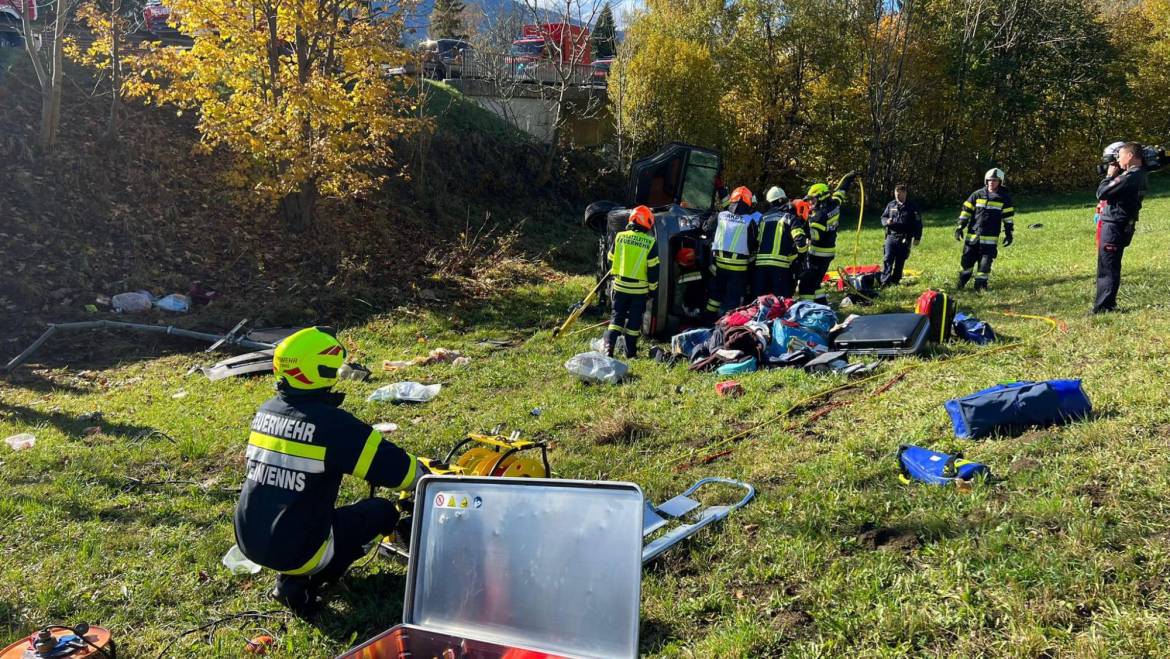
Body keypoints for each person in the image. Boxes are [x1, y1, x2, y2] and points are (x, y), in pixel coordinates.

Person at [234, 327, 429, 615]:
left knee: (311, 516)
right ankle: (306, 581)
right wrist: (427, 474)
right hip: (299, 549)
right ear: (321, 371)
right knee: (382, 512)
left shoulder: (267, 410)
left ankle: (293, 574)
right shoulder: (333, 425)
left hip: (250, 538)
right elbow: (401, 473)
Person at [1093, 142, 1147, 313]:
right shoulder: (1139, 175)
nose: (1117, 159)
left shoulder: (1130, 177)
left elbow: (1102, 192)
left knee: (1108, 267)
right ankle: (1107, 303)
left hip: (1115, 226)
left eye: (1120, 155)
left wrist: (1109, 176)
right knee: (1110, 265)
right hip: (1122, 225)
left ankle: (1104, 307)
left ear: (1130, 156)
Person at [604, 205, 659, 357]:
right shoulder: (650, 242)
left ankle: (608, 348)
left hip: (620, 287)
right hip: (639, 291)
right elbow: (654, 269)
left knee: (616, 318)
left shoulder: (620, 236)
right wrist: (653, 290)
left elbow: (610, 259)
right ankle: (631, 353)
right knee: (634, 322)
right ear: (647, 222)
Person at [797, 172, 857, 300]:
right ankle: (822, 304)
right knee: (816, 282)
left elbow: (816, 237)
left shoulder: (818, 216)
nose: (810, 203)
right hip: (828, 252)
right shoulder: (834, 203)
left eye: (813, 199)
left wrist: (803, 226)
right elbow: (841, 191)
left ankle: (807, 308)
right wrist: (848, 178)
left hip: (818, 254)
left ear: (822, 197)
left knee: (806, 284)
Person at [954, 168, 1015, 291]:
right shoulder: (977, 194)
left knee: (985, 264)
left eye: (995, 180)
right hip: (973, 236)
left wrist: (1009, 233)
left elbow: (1008, 217)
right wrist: (960, 227)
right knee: (967, 261)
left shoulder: (1004, 198)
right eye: (989, 180)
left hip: (990, 238)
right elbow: (966, 211)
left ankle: (980, 287)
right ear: (986, 181)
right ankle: (962, 282)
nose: (991, 183)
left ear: (1000, 182)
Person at [705, 186, 760, 315]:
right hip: (738, 269)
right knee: (732, 299)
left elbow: (706, 228)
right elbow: (754, 243)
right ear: (748, 202)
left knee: (715, 296)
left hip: (719, 265)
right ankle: (726, 326)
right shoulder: (750, 220)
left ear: (732, 200)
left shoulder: (720, 215)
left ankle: (707, 320)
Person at [753, 186, 808, 298]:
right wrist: (801, 257)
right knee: (781, 302)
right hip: (780, 267)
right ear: (781, 200)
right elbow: (800, 242)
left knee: (761, 302)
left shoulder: (762, 218)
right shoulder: (789, 218)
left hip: (760, 267)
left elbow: (756, 240)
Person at [879, 183, 923, 286]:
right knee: (888, 258)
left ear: (905, 193)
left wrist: (917, 237)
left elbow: (918, 223)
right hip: (891, 236)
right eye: (896, 194)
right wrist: (886, 222)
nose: (897, 196)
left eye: (900, 194)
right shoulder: (891, 205)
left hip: (904, 238)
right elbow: (883, 217)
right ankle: (884, 282)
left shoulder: (912, 207)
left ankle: (895, 280)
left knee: (900, 261)